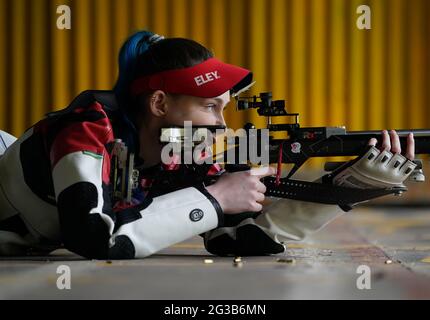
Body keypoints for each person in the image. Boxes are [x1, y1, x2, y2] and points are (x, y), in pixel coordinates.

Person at [0, 31, 417, 259]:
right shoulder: (86, 128)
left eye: (224, 109)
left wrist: (350, 186)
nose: (221, 125)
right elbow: (93, 237)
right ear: (159, 102)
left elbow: (239, 242)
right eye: (209, 107)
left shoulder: (179, 154)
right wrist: (215, 198)